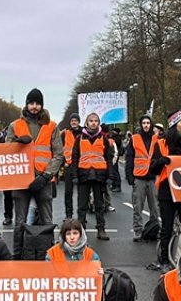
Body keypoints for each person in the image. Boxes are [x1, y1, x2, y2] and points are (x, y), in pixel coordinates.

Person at [8, 89, 64, 254]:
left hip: (43, 180)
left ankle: (49, 254)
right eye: (31, 103)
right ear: (26, 104)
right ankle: (17, 255)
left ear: (42, 105)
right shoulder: (15, 125)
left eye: (37, 103)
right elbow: (6, 152)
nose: (34, 106)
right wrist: (17, 143)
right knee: (19, 221)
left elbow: (58, 154)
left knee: (47, 220)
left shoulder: (51, 126)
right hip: (21, 180)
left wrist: (46, 176)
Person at [147, 111, 181, 273]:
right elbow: (152, 169)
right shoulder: (161, 144)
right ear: (174, 125)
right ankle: (164, 260)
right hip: (167, 191)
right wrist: (161, 161)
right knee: (167, 227)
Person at [72, 112, 113, 240]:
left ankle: (101, 229)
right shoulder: (79, 139)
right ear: (86, 123)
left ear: (98, 123)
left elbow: (108, 159)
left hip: (99, 176)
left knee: (99, 205)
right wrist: (74, 176)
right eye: (91, 121)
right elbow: (75, 158)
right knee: (82, 205)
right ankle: (81, 230)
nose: (93, 123)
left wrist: (110, 177)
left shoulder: (104, 139)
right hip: (83, 175)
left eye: (96, 121)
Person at [126, 115, 161, 242]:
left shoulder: (156, 139)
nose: (146, 125)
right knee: (137, 206)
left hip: (153, 177)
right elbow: (129, 158)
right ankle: (138, 231)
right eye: (144, 123)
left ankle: (155, 229)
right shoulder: (134, 139)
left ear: (151, 124)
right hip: (139, 177)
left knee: (155, 207)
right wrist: (129, 176)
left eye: (148, 123)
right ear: (141, 125)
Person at [59, 113, 81, 220]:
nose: (74, 122)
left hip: (81, 165)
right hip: (68, 165)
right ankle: (69, 214)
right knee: (68, 192)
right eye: (72, 121)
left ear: (79, 122)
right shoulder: (65, 133)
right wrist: (64, 162)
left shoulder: (83, 133)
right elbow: (60, 148)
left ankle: (81, 215)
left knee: (82, 192)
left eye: (76, 120)